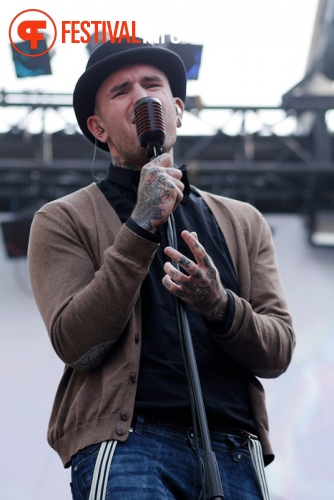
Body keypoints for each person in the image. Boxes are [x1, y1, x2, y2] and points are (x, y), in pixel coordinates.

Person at [28, 39, 295, 500]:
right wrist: (140, 225)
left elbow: (278, 349)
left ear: (176, 109)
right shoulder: (62, 218)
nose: (142, 97)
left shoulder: (243, 221)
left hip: (233, 450)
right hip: (131, 447)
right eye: (121, 91)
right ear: (99, 128)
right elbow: (75, 343)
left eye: (153, 85)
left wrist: (221, 306)